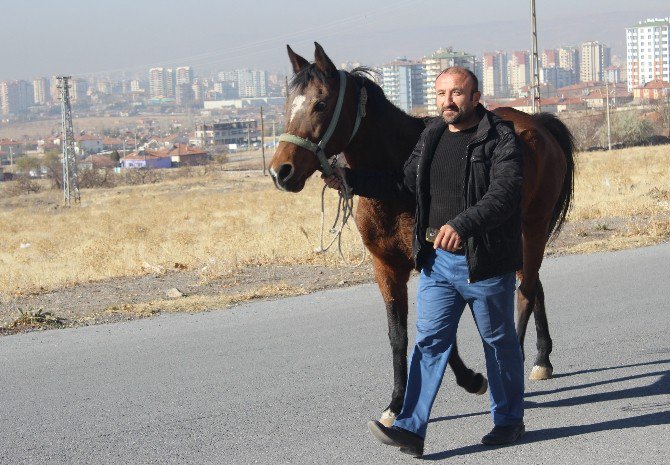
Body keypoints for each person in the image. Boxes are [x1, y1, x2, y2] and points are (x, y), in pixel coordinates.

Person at [323, 67, 525, 457]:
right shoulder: (431, 135)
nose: (448, 101)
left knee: (498, 344)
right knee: (429, 343)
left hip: (484, 263)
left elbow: (505, 194)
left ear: (476, 95)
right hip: (437, 264)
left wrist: (463, 224)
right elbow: (403, 184)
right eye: (441, 93)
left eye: (458, 93)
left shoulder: (500, 137)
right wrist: (350, 180)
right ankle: (411, 429)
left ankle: (508, 420)